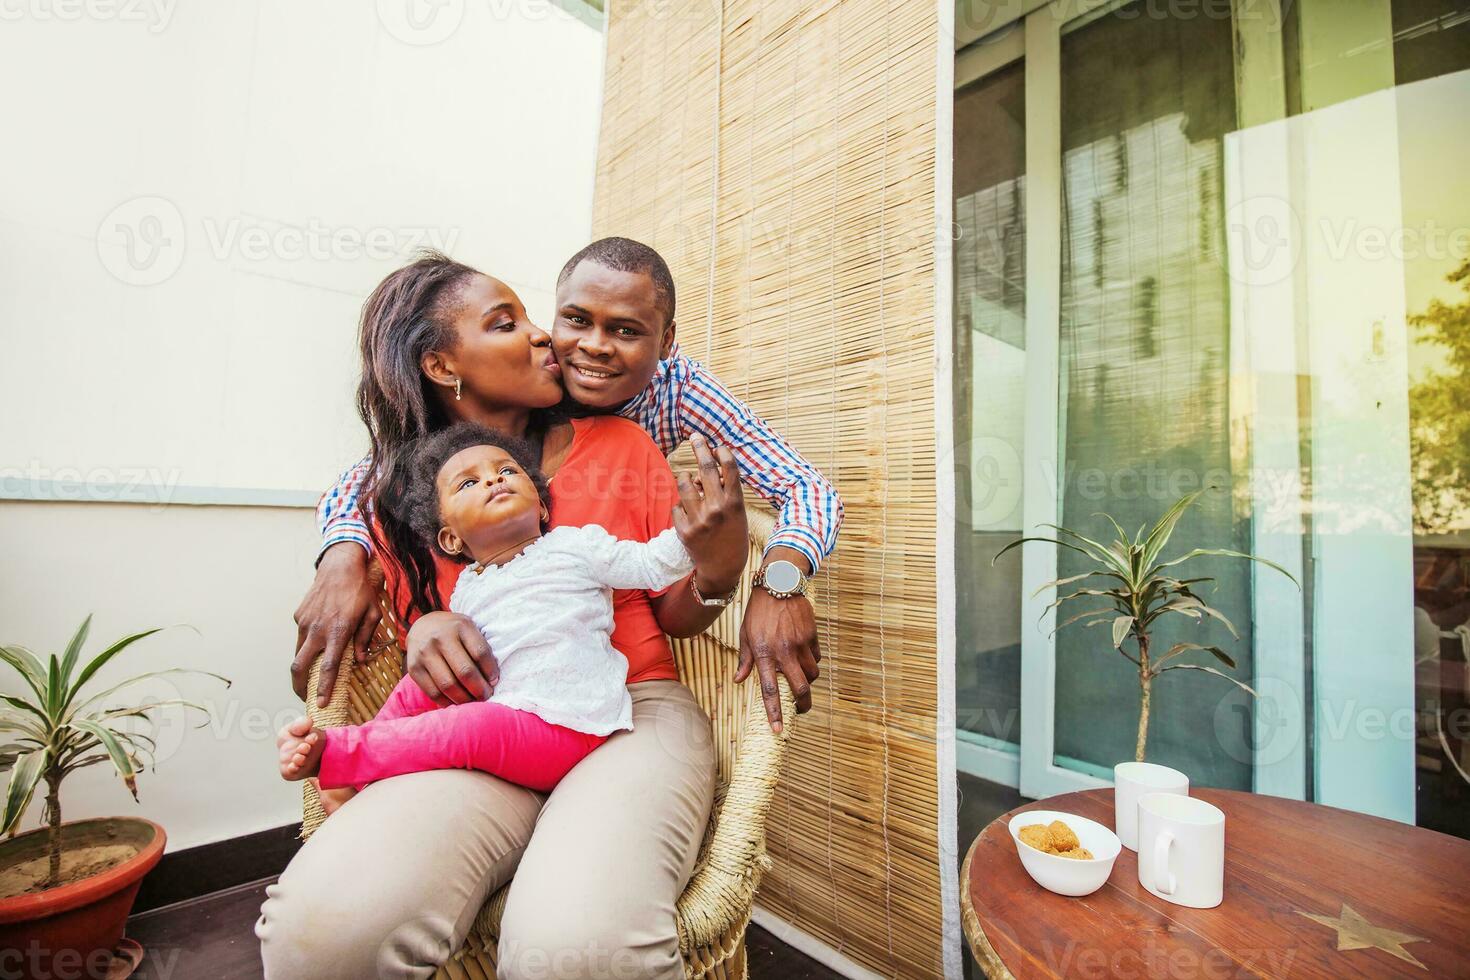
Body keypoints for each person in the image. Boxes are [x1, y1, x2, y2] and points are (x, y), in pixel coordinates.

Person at [258, 253, 748, 979]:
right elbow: (407, 610)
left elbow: (670, 606)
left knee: (579, 950)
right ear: (442, 365)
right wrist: (394, 598)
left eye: (529, 315)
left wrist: (724, 568)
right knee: (320, 932)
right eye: (506, 322)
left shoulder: (621, 444)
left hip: (629, 710)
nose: (546, 336)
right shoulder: (403, 495)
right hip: (488, 719)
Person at [294, 237, 843, 733]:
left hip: (616, 668)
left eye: (626, 330)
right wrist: (342, 554)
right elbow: (368, 478)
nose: (594, 348)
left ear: (666, 341)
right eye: (574, 321)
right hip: (501, 682)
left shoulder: (673, 390)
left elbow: (806, 487)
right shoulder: (517, 387)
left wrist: (779, 583)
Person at [277, 422, 721, 802]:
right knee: (422, 684)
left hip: (568, 723)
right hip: (508, 715)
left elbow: (648, 564)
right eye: (468, 483)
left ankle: (341, 754)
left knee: (466, 728)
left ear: (542, 506)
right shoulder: (469, 588)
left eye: (506, 470)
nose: (493, 480)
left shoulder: (577, 546)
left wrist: (694, 531)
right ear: (450, 539)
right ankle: (359, 772)